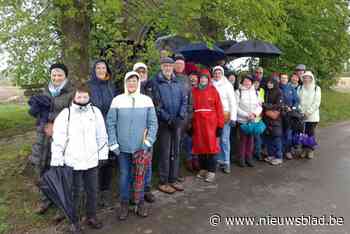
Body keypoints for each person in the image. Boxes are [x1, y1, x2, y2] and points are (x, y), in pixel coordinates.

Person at [51, 83, 108, 233]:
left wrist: (102, 155)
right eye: (79, 96)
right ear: (74, 97)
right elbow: (58, 139)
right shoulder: (66, 114)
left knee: (92, 190)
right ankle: (73, 221)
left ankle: (92, 216)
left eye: (85, 96)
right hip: (73, 161)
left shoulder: (95, 112)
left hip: (91, 160)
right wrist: (57, 160)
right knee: (75, 192)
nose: (82, 99)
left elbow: (102, 136)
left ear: (89, 97)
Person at [106, 71, 158, 220]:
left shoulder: (146, 100)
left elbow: (153, 123)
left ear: (138, 83)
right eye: (129, 81)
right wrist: (113, 143)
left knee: (140, 175)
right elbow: (111, 123)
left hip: (141, 147)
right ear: (125, 82)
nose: (132, 84)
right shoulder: (117, 100)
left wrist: (148, 141)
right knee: (124, 175)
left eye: (134, 81)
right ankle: (124, 202)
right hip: (122, 148)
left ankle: (140, 201)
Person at [31, 63, 74, 219]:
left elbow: (72, 115)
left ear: (65, 76)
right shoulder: (44, 91)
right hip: (43, 137)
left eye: (60, 75)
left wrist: (55, 125)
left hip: (60, 136)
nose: (56, 78)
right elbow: (38, 113)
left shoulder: (71, 93)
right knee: (42, 168)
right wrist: (43, 123)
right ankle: (45, 200)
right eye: (54, 75)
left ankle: (61, 205)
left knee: (59, 170)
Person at [150, 57, 187, 194]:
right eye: (165, 66)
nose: (167, 68)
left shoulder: (178, 82)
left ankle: (174, 178)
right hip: (164, 123)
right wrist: (168, 119)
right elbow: (156, 105)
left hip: (177, 122)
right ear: (161, 67)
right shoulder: (156, 83)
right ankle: (163, 181)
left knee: (176, 151)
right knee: (165, 152)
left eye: (170, 66)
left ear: (172, 68)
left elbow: (184, 100)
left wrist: (180, 116)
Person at [87, 60, 117, 208]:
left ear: (107, 70)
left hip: (110, 127)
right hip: (94, 128)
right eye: (98, 68)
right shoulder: (89, 86)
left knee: (108, 160)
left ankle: (105, 191)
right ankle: (94, 192)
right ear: (94, 70)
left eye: (103, 67)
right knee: (96, 161)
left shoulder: (111, 86)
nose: (100, 70)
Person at [192, 69, 224, 182]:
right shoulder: (194, 91)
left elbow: (219, 109)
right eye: (201, 78)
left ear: (208, 79)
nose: (203, 79)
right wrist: (190, 125)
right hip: (198, 123)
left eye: (205, 78)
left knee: (212, 148)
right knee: (200, 147)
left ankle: (211, 171)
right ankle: (203, 169)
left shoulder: (213, 91)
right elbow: (191, 108)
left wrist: (220, 125)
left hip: (211, 124)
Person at [133, 62, 157, 203]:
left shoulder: (152, 87)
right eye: (139, 72)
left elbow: (157, 104)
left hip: (149, 129)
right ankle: (135, 190)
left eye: (143, 72)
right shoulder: (129, 87)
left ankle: (147, 189)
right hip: (133, 131)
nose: (142, 74)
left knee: (148, 159)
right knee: (134, 161)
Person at [212, 66, 237, 173]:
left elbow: (233, 102)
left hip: (225, 114)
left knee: (225, 139)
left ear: (222, 74)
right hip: (213, 115)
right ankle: (218, 160)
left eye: (219, 73)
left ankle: (226, 161)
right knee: (216, 140)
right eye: (215, 73)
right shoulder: (210, 84)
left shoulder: (228, 85)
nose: (217, 75)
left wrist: (233, 118)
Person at [236, 75, 263, 167]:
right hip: (242, 120)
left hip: (253, 120)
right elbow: (236, 107)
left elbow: (259, 106)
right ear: (242, 82)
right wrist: (246, 115)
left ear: (251, 82)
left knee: (251, 141)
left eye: (249, 81)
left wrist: (254, 114)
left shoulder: (256, 92)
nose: (247, 82)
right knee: (242, 140)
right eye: (245, 81)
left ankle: (249, 158)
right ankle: (241, 159)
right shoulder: (238, 92)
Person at [297, 71, 321, 159]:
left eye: (308, 77)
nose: (306, 79)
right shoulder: (300, 88)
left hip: (312, 116)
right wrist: (302, 111)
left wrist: (308, 112)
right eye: (305, 77)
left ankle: (310, 150)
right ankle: (304, 149)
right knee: (303, 133)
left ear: (311, 78)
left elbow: (317, 103)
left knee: (310, 133)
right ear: (303, 79)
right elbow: (297, 100)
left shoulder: (316, 88)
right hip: (302, 114)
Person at [263, 77, 284, 166]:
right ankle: (271, 155)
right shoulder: (267, 91)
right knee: (269, 137)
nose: (269, 84)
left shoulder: (279, 92)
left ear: (275, 83)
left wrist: (266, 106)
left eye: (271, 83)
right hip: (267, 118)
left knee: (276, 137)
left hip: (276, 118)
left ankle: (279, 157)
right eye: (268, 83)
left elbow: (278, 105)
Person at [279, 73, 299, 160]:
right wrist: (282, 106)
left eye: (285, 78)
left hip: (289, 114)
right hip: (279, 114)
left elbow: (297, 100)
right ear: (280, 79)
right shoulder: (277, 87)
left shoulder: (291, 88)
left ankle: (287, 151)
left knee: (288, 133)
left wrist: (293, 108)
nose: (284, 79)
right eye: (282, 78)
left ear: (288, 80)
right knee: (279, 133)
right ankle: (279, 151)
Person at [184, 71, 200, 172]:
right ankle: (189, 159)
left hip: (198, 118)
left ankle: (196, 159)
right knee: (189, 140)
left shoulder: (200, 89)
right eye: (191, 78)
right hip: (188, 117)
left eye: (195, 78)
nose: (193, 80)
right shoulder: (185, 89)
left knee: (197, 140)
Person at [253, 78, 265, 161]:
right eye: (255, 83)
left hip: (258, 117)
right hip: (249, 116)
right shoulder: (248, 91)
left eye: (257, 83)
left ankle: (257, 153)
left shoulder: (261, 91)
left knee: (257, 137)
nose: (256, 84)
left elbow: (261, 103)